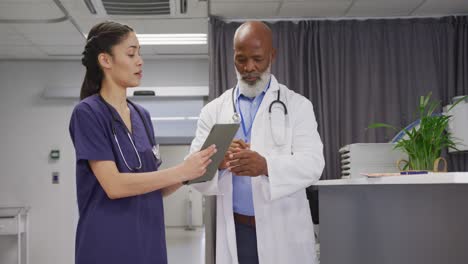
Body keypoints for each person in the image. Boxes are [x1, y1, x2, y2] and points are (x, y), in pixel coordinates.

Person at [69, 21, 216, 264]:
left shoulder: (142, 116)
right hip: (107, 247)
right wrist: (180, 171)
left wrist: (193, 169)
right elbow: (114, 186)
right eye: (131, 53)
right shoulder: (87, 113)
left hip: (149, 245)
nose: (140, 60)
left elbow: (157, 186)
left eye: (140, 53)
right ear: (105, 60)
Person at [189, 21, 325, 264]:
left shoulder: (297, 105)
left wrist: (266, 166)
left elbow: (314, 164)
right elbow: (193, 173)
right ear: (233, 57)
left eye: (257, 59)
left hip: (283, 228)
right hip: (237, 230)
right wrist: (217, 162)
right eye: (241, 59)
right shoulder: (214, 111)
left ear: (272, 55)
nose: (249, 67)